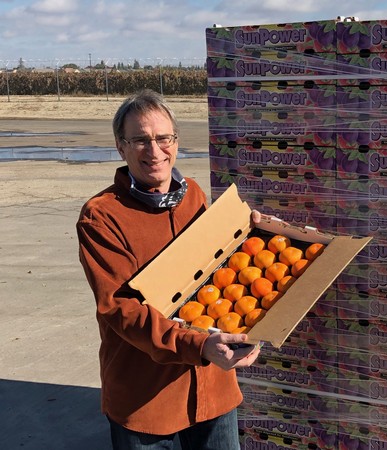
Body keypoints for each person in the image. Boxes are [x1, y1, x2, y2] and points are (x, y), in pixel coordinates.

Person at [77, 89, 260, 450]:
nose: (155, 150)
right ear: (120, 147)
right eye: (140, 140)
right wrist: (199, 345)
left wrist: (252, 235)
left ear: (176, 142)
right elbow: (122, 310)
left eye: (163, 138)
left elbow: (218, 271)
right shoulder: (101, 216)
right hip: (146, 396)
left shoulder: (193, 196)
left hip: (211, 386)